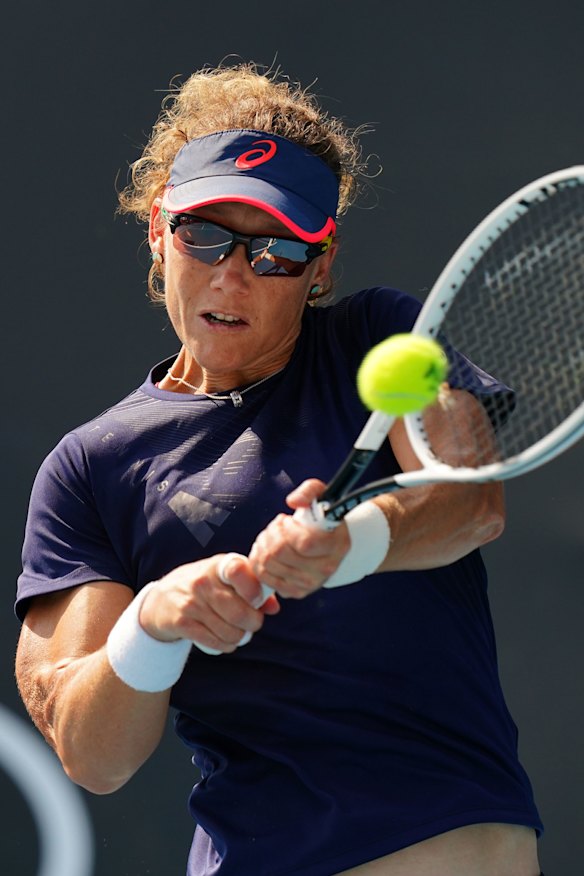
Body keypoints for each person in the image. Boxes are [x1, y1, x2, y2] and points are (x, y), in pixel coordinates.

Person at [14, 62, 544, 876]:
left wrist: (352, 543)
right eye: (205, 234)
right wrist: (155, 622)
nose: (232, 273)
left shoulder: (380, 335)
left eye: (274, 253)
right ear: (159, 230)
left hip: (438, 847)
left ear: (321, 263)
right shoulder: (92, 468)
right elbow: (93, 756)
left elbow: (469, 502)